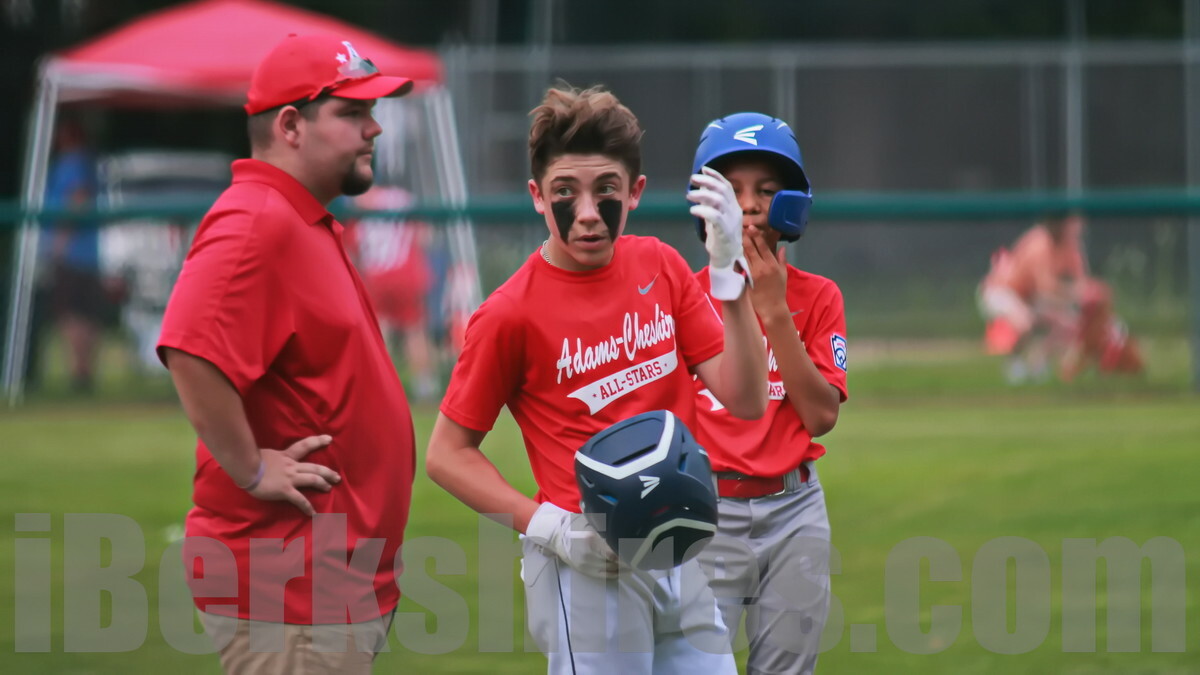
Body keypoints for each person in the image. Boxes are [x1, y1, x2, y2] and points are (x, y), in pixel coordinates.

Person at [425, 84, 769, 674]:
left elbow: (746, 399)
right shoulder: (509, 314)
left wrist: (727, 274)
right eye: (565, 192)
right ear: (537, 196)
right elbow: (446, 455)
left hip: (679, 544)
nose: (587, 212)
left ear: (634, 192)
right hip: (585, 561)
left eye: (605, 190)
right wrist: (550, 528)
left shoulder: (659, 265)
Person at [156, 34, 418, 674]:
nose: (374, 128)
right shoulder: (256, 220)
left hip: (326, 580)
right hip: (288, 585)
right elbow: (191, 348)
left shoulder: (299, 217)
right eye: (353, 113)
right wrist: (249, 469)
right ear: (291, 125)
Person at [687, 113, 847, 675]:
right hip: (707, 513)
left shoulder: (820, 296)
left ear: (793, 205)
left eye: (767, 191)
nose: (748, 205)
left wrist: (776, 310)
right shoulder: (683, 297)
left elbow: (822, 415)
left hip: (794, 509)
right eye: (731, 190)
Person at [343, 185, 439, 402]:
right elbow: (426, 236)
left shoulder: (357, 208)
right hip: (407, 274)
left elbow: (351, 251)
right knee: (414, 330)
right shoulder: (402, 198)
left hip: (377, 275)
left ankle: (380, 386)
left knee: (379, 329)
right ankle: (424, 386)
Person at [37, 115, 108, 392]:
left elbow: (77, 200)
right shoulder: (88, 162)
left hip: (74, 254)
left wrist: (59, 242)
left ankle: (80, 373)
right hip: (88, 254)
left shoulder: (73, 163)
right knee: (83, 313)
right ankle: (83, 372)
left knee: (73, 313)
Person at [977, 212, 1088, 383]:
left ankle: (1037, 361)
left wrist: (1086, 296)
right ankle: (1014, 366)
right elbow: (1046, 289)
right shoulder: (1039, 243)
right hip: (1001, 291)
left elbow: (1082, 283)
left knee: (1071, 325)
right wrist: (1077, 295)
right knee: (1024, 323)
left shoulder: (1070, 245)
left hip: (1029, 297)